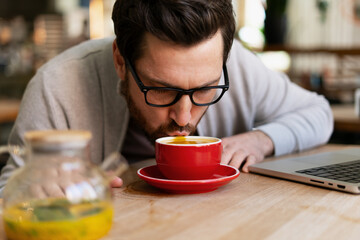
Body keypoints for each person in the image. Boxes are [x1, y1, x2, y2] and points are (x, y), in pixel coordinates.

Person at [0, 0, 333, 194]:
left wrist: (262, 140)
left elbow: (319, 113)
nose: (184, 117)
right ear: (120, 61)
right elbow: (9, 191)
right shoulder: (57, 85)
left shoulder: (237, 65)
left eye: (205, 88)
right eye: (161, 89)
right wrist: (34, 188)